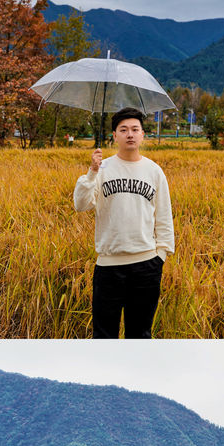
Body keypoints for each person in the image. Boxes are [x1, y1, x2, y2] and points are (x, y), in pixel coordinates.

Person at [73, 107, 175, 339]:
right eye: (124, 130)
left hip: (146, 265)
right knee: (103, 335)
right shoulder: (102, 169)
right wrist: (91, 173)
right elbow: (81, 205)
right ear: (114, 136)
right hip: (108, 267)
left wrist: (161, 256)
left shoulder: (154, 171)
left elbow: (164, 217)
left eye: (135, 129)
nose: (130, 134)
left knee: (140, 335)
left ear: (142, 135)